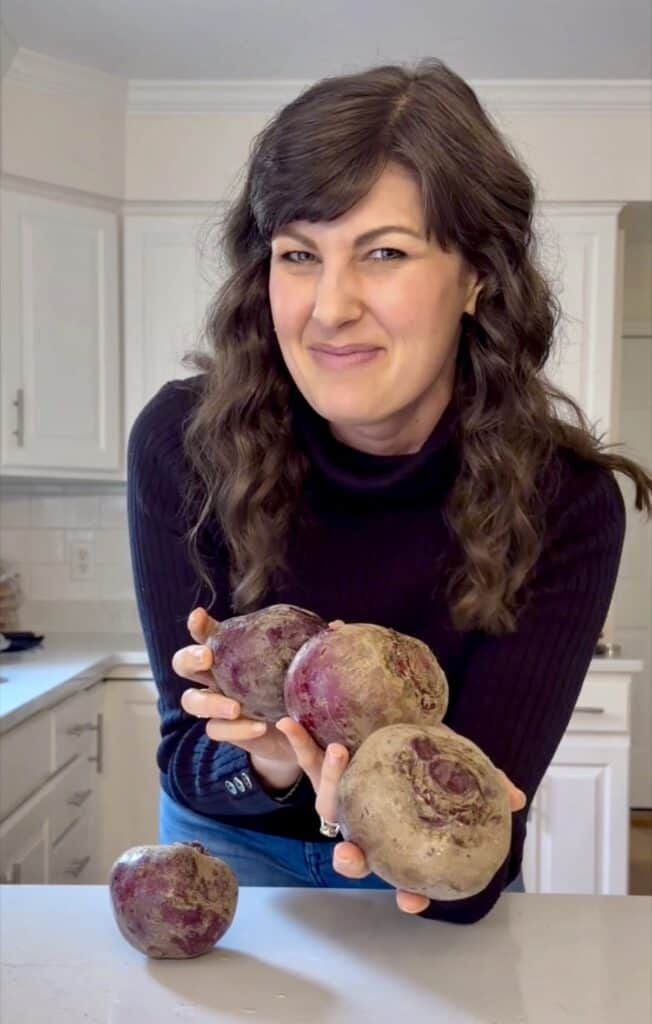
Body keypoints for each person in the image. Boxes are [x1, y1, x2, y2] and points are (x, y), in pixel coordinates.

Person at [127, 58, 652, 925]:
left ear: (478, 277)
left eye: (384, 253)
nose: (330, 307)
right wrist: (270, 759)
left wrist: (413, 841)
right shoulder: (186, 446)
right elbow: (189, 761)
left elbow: (473, 864)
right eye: (300, 254)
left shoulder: (565, 501)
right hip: (230, 853)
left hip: (410, 877)